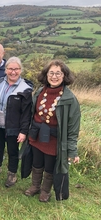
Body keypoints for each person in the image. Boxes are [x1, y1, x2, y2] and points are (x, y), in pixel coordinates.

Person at [24, 59, 80, 202]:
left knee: (49, 167)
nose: (54, 76)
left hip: (54, 140)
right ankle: (35, 186)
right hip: (36, 137)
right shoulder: (39, 92)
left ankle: (45, 191)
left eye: (58, 73)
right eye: (51, 73)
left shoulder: (69, 99)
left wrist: (72, 151)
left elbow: (73, 129)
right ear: (46, 74)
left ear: (64, 76)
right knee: (36, 163)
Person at [0, 57, 33, 188]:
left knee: (12, 151)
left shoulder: (25, 89)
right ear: (6, 69)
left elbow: (26, 113)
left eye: (16, 69)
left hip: (14, 126)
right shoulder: (0, 82)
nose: (13, 72)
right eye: (10, 69)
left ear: (20, 70)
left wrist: (24, 131)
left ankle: (12, 174)